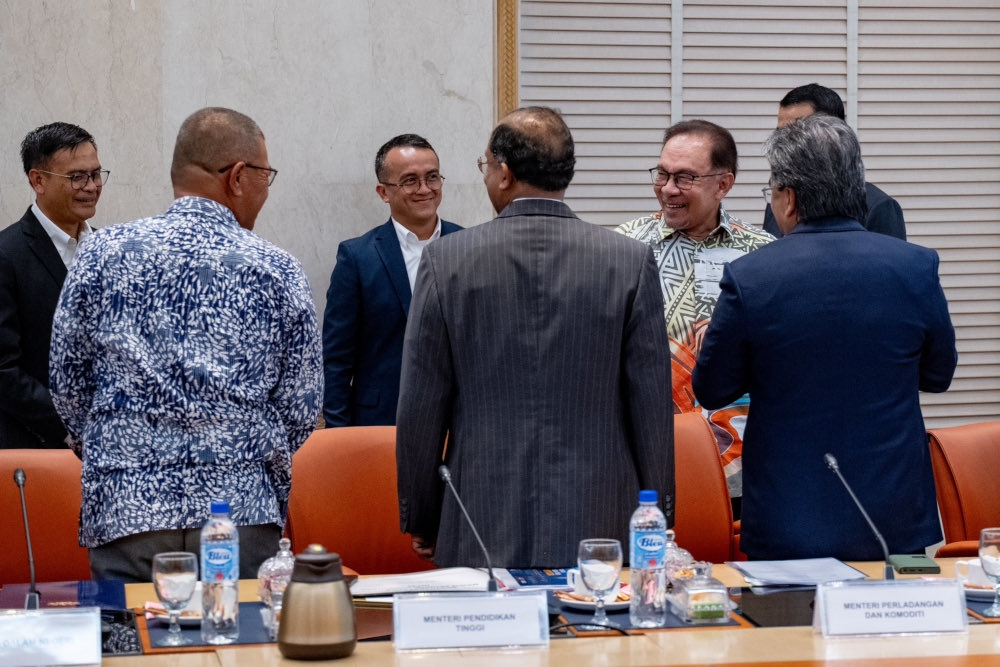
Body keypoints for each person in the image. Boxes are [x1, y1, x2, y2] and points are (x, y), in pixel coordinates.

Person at [49, 107, 323, 582]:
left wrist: (119, 448)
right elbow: (301, 406)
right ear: (237, 177)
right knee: (241, 653)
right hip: (238, 512)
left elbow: (67, 387)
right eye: (265, 175)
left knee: (133, 653)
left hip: (127, 512)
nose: (266, 188)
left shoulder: (100, 253)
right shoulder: (275, 268)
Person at [396, 106, 674, 569]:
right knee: (601, 639)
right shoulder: (629, 260)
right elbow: (651, 407)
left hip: (479, 512)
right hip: (603, 515)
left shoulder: (447, 261)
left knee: (487, 639)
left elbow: (421, 408)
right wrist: (659, 518)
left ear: (504, 173)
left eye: (486, 166)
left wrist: (423, 517)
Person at [692, 114, 957, 561]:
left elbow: (712, 387)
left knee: (787, 632)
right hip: (896, 524)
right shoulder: (916, 266)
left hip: (787, 520)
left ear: (790, 199)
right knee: (905, 629)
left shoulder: (752, 277)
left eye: (772, 192)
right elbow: (937, 376)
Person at [616, 120, 772, 517]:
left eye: (684, 177)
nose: (668, 189)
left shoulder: (764, 255)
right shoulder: (622, 247)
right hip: (646, 453)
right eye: (663, 174)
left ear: (724, 184)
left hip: (741, 461)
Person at [322, 134, 461, 427]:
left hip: (458, 421)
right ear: (384, 192)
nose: (424, 189)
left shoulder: (469, 245)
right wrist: (338, 435)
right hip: (380, 421)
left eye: (432, 177)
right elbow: (336, 361)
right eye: (410, 180)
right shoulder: (357, 257)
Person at [0, 122, 106, 450]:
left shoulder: (107, 249)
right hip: (36, 450)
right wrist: (74, 427)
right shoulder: (7, 254)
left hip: (110, 449)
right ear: (38, 180)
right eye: (77, 177)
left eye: (96, 174)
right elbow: (4, 371)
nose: (91, 186)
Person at [762, 83, 906, 240]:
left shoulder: (877, 207)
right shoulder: (779, 197)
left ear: (832, 131)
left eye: (797, 131)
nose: (785, 142)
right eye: (780, 133)